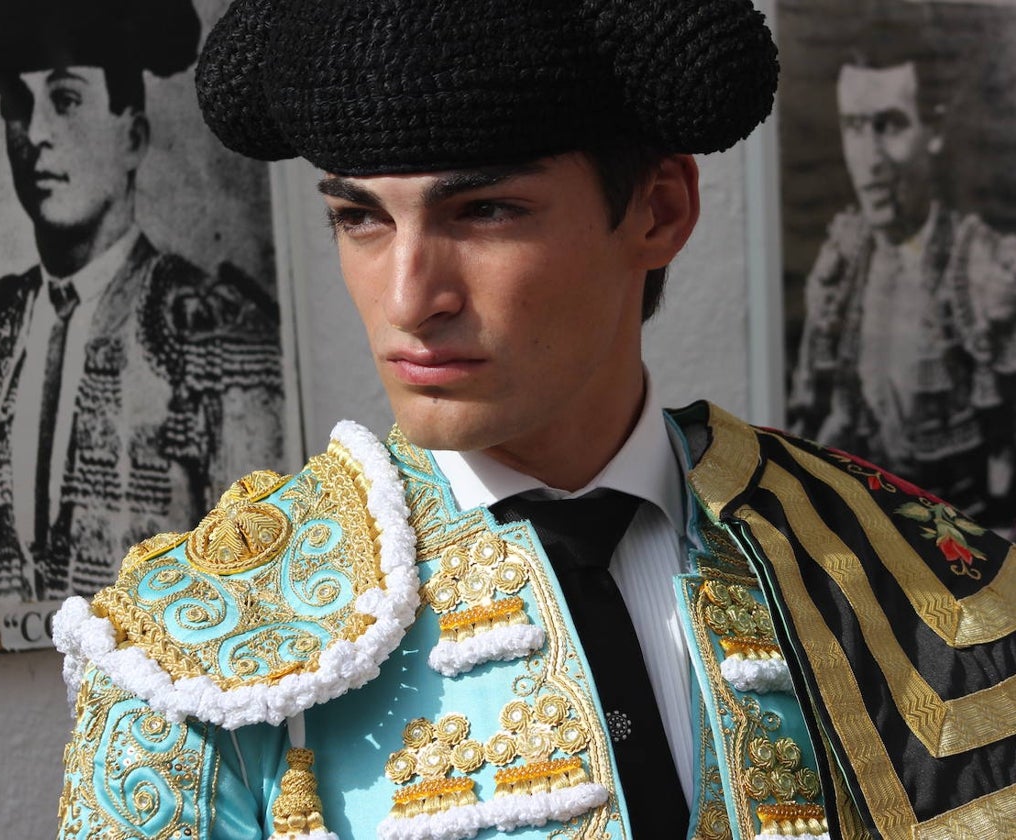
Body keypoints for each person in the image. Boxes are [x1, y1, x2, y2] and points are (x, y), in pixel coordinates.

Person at [54, 1, 1016, 838]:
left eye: (484, 213)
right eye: (360, 219)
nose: (407, 298)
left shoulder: (912, 570)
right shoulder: (187, 644)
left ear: (661, 211)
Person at [0, 0, 284, 607]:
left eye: (66, 101)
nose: (37, 133)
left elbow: (259, 589)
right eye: (18, 106)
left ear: (133, 137)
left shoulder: (212, 329)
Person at [788, 23, 1016, 529]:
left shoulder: (987, 272)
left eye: (889, 125)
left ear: (932, 130)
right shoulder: (843, 261)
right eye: (853, 126)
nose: (868, 159)